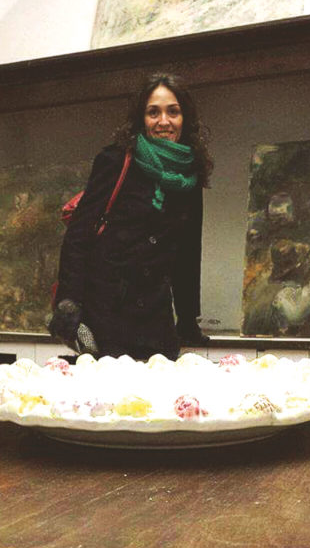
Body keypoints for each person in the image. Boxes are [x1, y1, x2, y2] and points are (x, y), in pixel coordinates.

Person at [48, 72, 213, 360]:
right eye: (153, 112)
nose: (164, 121)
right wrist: (69, 302)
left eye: (173, 112)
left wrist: (187, 319)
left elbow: (187, 253)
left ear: (185, 118)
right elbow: (79, 235)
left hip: (157, 322)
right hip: (107, 316)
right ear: (141, 118)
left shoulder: (189, 174)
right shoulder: (115, 160)